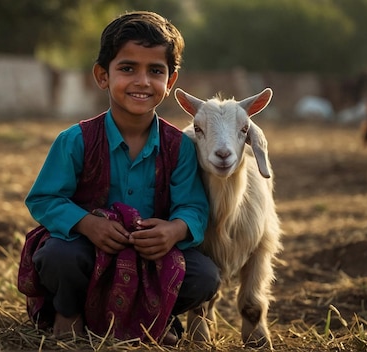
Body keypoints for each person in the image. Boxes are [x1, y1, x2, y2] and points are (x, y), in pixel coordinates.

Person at [17, 11, 220, 345]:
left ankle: (156, 319)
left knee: (205, 277)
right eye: (127, 68)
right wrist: (86, 224)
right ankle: (68, 312)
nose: (142, 81)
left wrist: (172, 230)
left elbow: (194, 207)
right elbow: (43, 199)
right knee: (57, 258)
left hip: (151, 257)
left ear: (170, 82)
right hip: (85, 249)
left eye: (155, 71)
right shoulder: (75, 140)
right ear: (102, 76)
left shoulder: (181, 147)